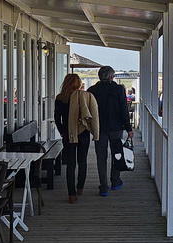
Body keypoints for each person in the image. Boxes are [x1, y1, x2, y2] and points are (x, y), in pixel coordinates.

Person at [87, 66, 133, 196]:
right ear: (112, 77)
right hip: (116, 128)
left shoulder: (92, 90)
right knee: (117, 154)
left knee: (101, 157)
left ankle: (103, 187)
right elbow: (124, 110)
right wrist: (129, 129)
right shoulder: (118, 89)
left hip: (99, 128)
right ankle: (115, 180)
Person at [54, 74, 99, 203]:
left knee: (71, 164)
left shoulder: (60, 98)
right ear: (79, 83)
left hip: (69, 134)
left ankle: (71, 194)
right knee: (82, 161)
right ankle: (80, 187)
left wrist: (63, 132)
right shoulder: (85, 97)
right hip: (83, 132)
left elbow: (57, 118)